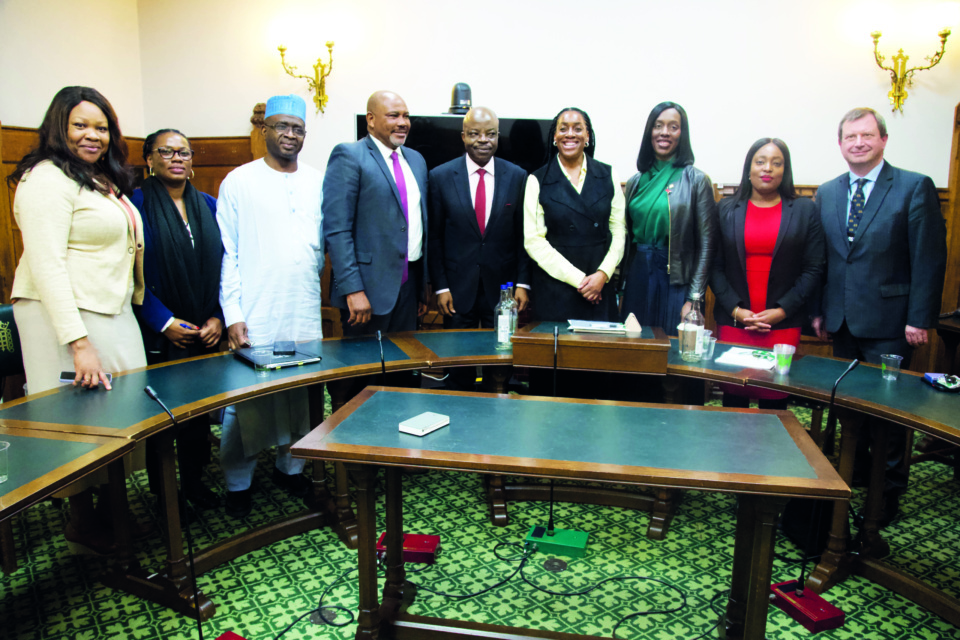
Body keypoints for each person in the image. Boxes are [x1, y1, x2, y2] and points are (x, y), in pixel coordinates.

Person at [9, 86, 145, 554]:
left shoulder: (96, 178)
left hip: (109, 307)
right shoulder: (45, 178)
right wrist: (78, 342)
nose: (93, 135)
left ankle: (113, 509)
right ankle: (81, 520)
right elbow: (46, 265)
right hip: (64, 318)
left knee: (116, 414)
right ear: (58, 128)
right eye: (81, 125)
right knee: (76, 419)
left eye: (102, 127)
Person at [812, 107, 946, 522]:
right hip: (842, 323)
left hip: (892, 324)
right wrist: (819, 311)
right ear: (840, 144)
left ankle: (887, 496)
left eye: (866, 135)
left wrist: (920, 318)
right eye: (850, 137)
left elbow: (929, 259)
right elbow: (823, 260)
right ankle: (857, 480)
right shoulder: (828, 192)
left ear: (883, 139)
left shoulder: (912, 187)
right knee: (850, 408)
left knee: (889, 414)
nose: (858, 143)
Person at [217, 94, 324, 518]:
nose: (290, 135)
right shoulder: (238, 181)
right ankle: (237, 483)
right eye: (281, 126)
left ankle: (290, 467)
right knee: (247, 399)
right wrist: (233, 314)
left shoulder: (318, 180)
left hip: (303, 308)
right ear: (264, 129)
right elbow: (228, 252)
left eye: (297, 128)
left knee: (302, 396)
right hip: (256, 308)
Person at [132, 129, 222, 509]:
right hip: (157, 330)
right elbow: (126, 275)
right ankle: (164, 493)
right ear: (148, 159)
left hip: (204, 330)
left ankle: (196, 480)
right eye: (166, 151)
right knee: (160, 416)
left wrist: (218, 315)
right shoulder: (132, 206)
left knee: (197, 412)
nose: (177, 158)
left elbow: (226, 267)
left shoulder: (209, 204)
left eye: (184, 152)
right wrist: (164, 322)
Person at [710, 138, 824, 409]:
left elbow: (814, 268)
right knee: (734, 396)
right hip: (736, 320)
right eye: (760, 161)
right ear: (748, 169)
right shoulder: (725, 209)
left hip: (782, 323)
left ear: (785, 170)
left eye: (776, 163)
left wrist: (781, 311)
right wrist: (738, 312)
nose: (767, 168)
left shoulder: (805, 210)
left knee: (775, 398)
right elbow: (714, 267)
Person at [428, 107, 528, 389]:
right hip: (457, 291)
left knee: (501, 363)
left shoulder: (517, 176)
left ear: (498, 136)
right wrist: (440, 287)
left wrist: (522, 284)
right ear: (463, 136)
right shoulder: (440, 176)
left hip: (503, 292)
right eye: (474, 133)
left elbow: (523, 237)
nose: (482, 140)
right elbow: (434, 237)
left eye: (490, 134)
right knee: (459, 366)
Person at [323, 90, 429, 336]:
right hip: (366, 292)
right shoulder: (349, 156)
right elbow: (337, 230)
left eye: (406, 116)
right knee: (367, 372)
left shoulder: (417, 160)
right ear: (370, 119)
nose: (403, 122)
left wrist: (421, 287)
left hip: (409, 288)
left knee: (403, 369)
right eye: (393, 116)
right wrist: (353, 290)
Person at [620, 102, 718, 330]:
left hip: (677, 279)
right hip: (639, 275)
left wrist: (694, 298)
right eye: (658, 126)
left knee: (672, 351)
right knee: (634, 346)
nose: (664, 132)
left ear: (682, 134)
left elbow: (707, 245)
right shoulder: (635, 181)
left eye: (673, 127)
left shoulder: (696, 180)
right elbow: (625, 240)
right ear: (649, 132)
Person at [523, 107, 625, 323]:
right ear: (554, 137)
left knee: (600, 355)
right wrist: (581, 281)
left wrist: (603, 274)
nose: (570, 134)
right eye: (563, 129)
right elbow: (533, 242)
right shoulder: (537, 180)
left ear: (587, 136)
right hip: (556, 289)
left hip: (600, 287)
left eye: (577, 129)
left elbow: (618, 230)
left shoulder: (608, 174)